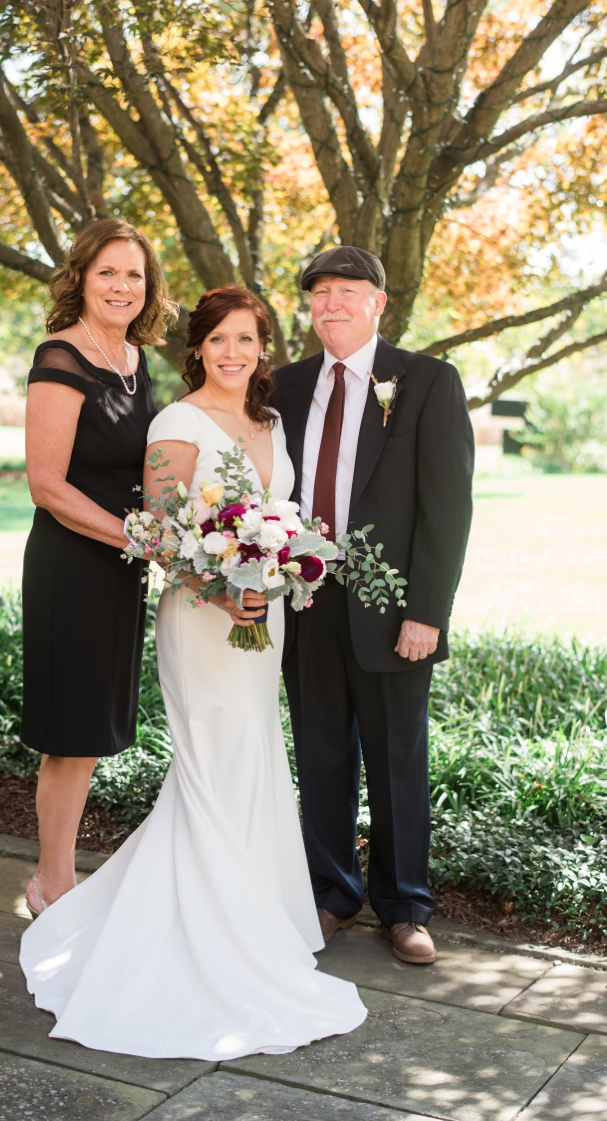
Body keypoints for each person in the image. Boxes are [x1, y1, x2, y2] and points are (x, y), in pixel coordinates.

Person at [19, 286, 368, 1060]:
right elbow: (159, 523)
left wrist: (276, 575)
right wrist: (222, 585)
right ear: (199, 348)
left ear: (262, 348)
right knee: (212, 762)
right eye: (219, 340)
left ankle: (252, 918)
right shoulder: (174, 423)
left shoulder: (275, 424)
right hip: (202, 617)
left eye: (247, 339)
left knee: (252, 757)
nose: (233, 352)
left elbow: (290, 523)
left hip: (262, 615)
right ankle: (200, 933)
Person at [272, 247, 474, 965]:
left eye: (346, 291)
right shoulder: (286, 386)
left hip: (393, 612)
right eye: (319, 292)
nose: (331, 303)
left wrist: (427, 610)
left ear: (378, 302)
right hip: (304, 603)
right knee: (321, 755)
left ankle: (406, 905)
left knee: (397, 760)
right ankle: (329, 893)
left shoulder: (426, 381)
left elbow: (447, 508)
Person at [20, 218, 166, 915]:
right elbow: (47, 485)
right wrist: (136, 538)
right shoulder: (62, 357)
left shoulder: (137, 362)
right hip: (72, 566)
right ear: (80, 277)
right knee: (70, 735)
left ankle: (55, 875)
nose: (122, 285)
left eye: (134, 274)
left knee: (93, 733)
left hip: (121, 569)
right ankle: (52, 883)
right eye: (108, 271)